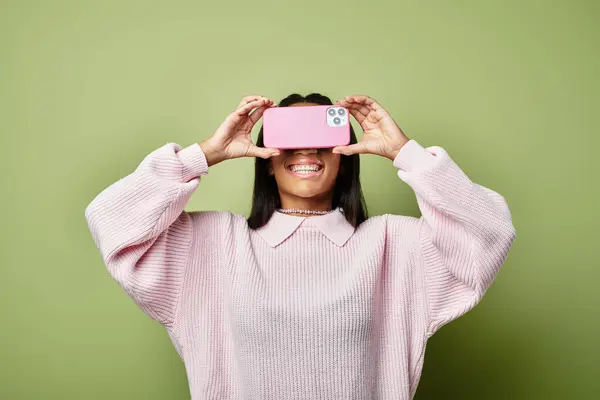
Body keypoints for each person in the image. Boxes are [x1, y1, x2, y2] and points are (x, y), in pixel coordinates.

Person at [84, 93, 516, 399]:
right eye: (289, 136)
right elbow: (111, 219)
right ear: (268, 160)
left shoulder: (393, 246)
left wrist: (406, 152)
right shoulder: (213, 245)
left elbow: (489, 232)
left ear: (344, 156)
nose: (306, 147)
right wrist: (204, 154)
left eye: (322, 137)